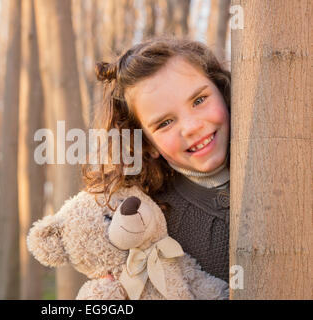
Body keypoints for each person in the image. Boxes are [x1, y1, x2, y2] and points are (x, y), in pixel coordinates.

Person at [82, 35, 231, 283]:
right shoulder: (151, 222)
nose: (192, 127)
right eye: (165, 123)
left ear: (220, 88)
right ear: (147, 144)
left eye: (199, 100)